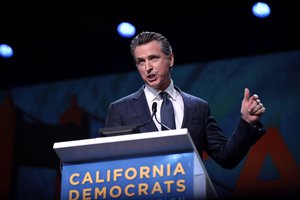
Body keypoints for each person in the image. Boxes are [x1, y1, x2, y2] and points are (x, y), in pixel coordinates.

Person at [104, 31, 266, 169]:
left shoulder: (198, 108)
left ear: (171, 59)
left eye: (153, 58)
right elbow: (108, 165)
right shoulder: (121, 110)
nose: (147, 68)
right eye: (141, 62)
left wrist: (247, 122)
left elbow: (226, 158)